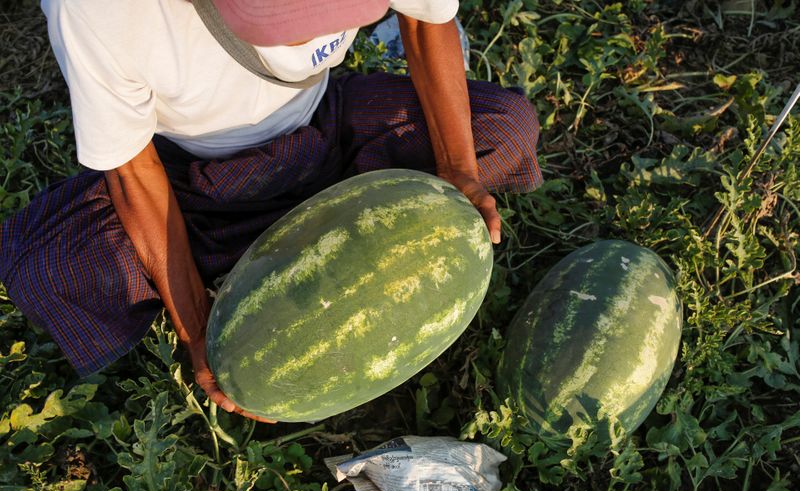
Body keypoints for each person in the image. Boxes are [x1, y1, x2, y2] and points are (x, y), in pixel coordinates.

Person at [0, 0, 542, 422]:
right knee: (46, 270)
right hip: (191, 178)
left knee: (506, 124)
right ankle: (270, 243)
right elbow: (133, 172)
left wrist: (458, 169)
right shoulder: (95, 10)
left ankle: (262, 248)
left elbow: (427, 23)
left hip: (326, 127)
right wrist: (196, 329)